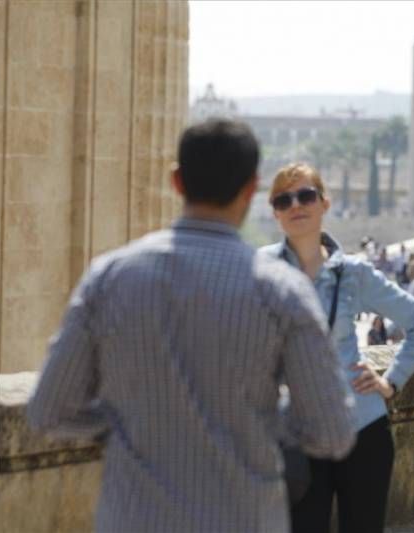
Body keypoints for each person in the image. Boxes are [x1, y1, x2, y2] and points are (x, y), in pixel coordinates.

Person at [26, 119, 356, 533]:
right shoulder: (283, 292)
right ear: (251, 189)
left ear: (177, 182)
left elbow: (48, 411)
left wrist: (125, 418)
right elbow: (332, 433)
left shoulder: (108, 277)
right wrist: (263, 416)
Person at [260, 163, 414, 533]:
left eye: (306, 195)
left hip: (363, 426)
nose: (296, 205)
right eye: (284, 200)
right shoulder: (259, 269)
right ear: (274, 212)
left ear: (325, 203)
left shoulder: (354, 273)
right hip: (297, 432)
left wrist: (392, 381)